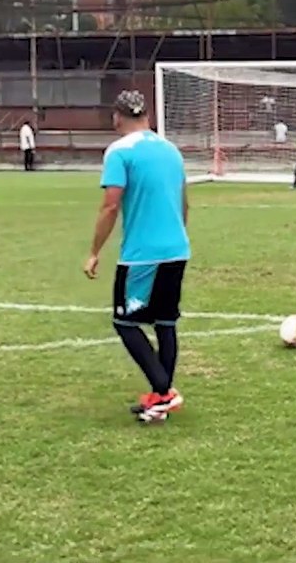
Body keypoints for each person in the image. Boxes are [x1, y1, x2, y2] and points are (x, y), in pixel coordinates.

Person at [83, 90, 191, 424]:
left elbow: (111, 204)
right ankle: (159, 400)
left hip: (143, 255)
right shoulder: (171, 150)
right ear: (147, 115)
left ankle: (165, 391)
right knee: (165, 321)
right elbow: (185, 202)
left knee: (124, 322)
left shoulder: (119, 151)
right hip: (177, 248)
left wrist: (94, 252)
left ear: (117, 116)